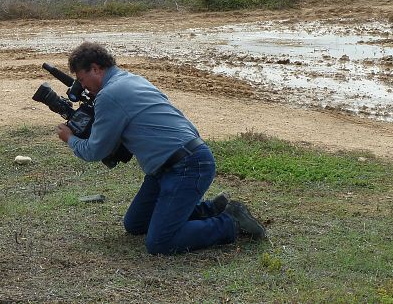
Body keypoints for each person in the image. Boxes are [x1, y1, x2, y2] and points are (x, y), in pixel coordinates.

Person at [56, 42, 266, 254]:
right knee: (135, 224)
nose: (82, 87)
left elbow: (95, 151)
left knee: (160, 242)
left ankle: (231, 222)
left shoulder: (109, 95)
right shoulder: (131, 79)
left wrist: (70, 138)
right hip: (174, 164)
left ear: (96, 68)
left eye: (82, 79)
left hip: (186, 165)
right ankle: (212, 209)